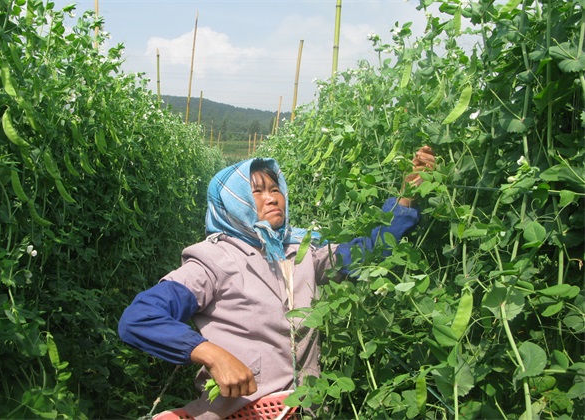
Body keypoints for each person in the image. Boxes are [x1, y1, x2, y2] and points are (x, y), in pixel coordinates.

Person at [118, 146, 436, 419]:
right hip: (239, 411)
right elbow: (140, 318)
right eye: (256, 192)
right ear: (233, 203)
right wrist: (210, 354)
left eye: (275, 189)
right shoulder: (212, 260)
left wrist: (406, 197)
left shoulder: (303, 250)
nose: (272, 199)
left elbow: (366, 252)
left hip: (302, 408)